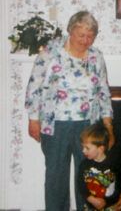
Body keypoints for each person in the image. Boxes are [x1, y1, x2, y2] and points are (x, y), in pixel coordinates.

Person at [25, 11, 114, 211]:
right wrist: (33, 119)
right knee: (56, 176)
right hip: (55, 123)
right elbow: (34, 86)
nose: (86, 40)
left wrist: (108, 125)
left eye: (90, 35)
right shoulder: (50, 52)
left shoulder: (96, 55)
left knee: (89, 175)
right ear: (70, 31)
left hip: (88, 125)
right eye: (81, 34)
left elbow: (103, 91)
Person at [78, 123, 121, 211]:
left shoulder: (114, 163)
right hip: (90, 206)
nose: (83, 151)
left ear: (100, 148)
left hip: (111, 205)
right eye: (83, 147)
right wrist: (90, 199)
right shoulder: (84, 165)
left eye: (87, 148)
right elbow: (80, 184)